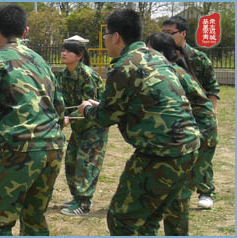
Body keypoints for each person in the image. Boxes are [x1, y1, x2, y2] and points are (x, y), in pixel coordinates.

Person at [77, 9, 200, 235]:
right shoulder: (155, 57)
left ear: (115, 37)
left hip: (161, 153)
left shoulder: (124, 65)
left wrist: (87, 110)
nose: (104, 40)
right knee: (149, 218)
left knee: (122, 219)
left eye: (105, 35)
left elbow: (105, 117)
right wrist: (102, 105)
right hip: (188, 149)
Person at [0, 4, 65, 235]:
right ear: (25, 32)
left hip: (20, 149)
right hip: (53, 148)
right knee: (34, 219)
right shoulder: (41, 61)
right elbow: (59, 105)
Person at [146, 32, 218, 235]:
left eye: (147, 50)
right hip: (192, 135)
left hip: (200, 136)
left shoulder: (170, 73)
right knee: (176, 195)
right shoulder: (170, 70)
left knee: (179, 196)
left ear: (159, 53)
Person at [162, 16, 219, 209]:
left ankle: (206, 191)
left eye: (170, 33)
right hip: (176, 113)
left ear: (183, 33)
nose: (166, 37)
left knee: (202, 152)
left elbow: (212, 88)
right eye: (164, 34)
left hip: (198, 113)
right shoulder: (164, 58)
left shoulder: (199, 58)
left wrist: (213, 113)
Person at [57, 38, 108, 216]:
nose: (64, 53)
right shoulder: (64, 74)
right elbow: (63, 101)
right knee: (71, 162)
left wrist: (68, 117)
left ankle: (84, 203)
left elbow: (89, 106)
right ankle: (77, 198)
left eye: (68, 51)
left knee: (86, 164)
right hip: (79, 127)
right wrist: (61, 114)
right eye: (63, 50)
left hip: (93, 126)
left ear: (79, 56)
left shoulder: (87, 75)